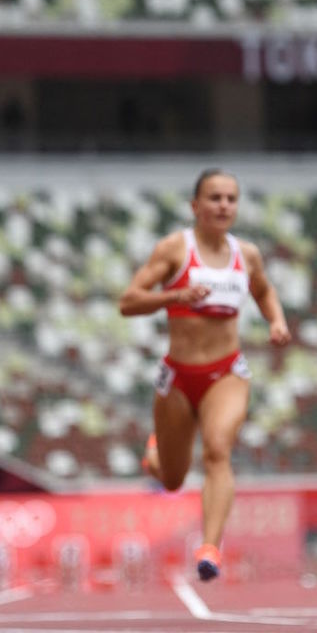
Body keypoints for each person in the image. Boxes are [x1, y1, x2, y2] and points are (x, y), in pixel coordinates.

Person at [119, 169, 290, 582]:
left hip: (226, 373)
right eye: (214, 198)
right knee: (174, 479)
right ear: (195, 206)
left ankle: (210, 548)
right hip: (177, 377)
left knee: (217, 450)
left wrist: (276, 321)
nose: (223, 206)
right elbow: (128, 302)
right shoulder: (174, 250)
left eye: (231, 198)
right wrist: (174, 295)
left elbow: (263, 290)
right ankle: (156, 457)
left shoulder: (245, 254)